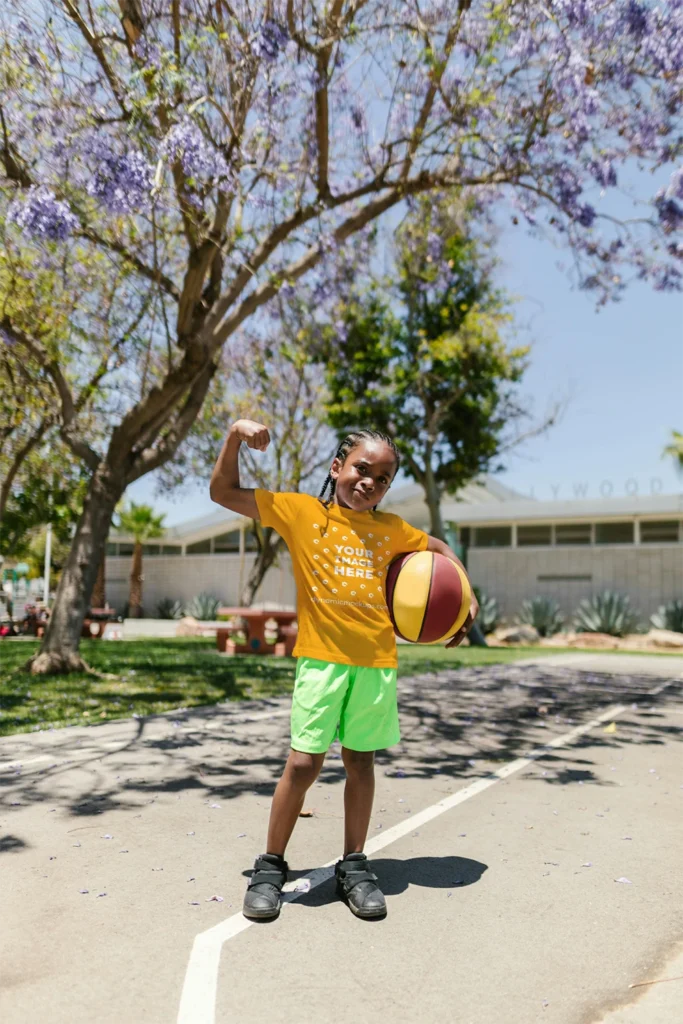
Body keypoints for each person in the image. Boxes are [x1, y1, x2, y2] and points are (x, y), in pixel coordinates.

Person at [209, 419, 478, 921]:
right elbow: (222, 491)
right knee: (304, 764)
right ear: (337, 467)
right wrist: (233, 437)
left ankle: (353, 865)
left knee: (360, 763)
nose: (369, 482)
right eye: (361, 468)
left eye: (383, 477)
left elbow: (440, 552)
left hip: (375, 665)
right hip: (321, 662)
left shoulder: (395, 531)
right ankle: (271, 866)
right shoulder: (301, 512)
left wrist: (465, 598)